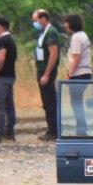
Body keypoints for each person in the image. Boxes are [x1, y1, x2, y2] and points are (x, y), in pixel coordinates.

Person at [63, 14, 93, 136]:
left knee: (75, 102)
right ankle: (82, 127)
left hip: (79, 73)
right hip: (86, 72)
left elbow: (77, 56)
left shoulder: (76, 37)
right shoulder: (83, 35)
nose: (65, 25)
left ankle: (81, 129)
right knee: (77, 101)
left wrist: (70, 72)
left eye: (66, 22)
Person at [32, 9, 60, 140]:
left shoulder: (51, 32)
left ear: (43, 18)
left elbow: (53, 54)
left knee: (50, 101)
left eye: (36, 20)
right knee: (46, 102)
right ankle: (51, 128)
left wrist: (47, 74)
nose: (35, 23)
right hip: (41, 70)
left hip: (46, 72)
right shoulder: (42, 32)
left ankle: (54, 130)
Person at [0, 17, 17, 144]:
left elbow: (1, 58)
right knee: (9, 104)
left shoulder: (2, 40)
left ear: (0, 27)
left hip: (2, 77)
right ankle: (9, 131)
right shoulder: (10, 40)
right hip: (10, 76)